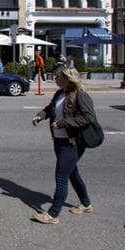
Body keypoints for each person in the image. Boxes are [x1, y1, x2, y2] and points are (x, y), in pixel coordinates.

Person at [31, 67, 94, 224]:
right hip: (59, 140)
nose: (55, 79)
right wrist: (40, 116)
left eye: (58, 76)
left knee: (61, 176)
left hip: (73, 142)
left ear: (68, 78)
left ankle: (53, 214)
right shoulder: (60, 93)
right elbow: (50, 109)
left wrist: (63, 123)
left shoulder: (80, 95)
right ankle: (86, 204)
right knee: (72, 173)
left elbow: (88, 117)